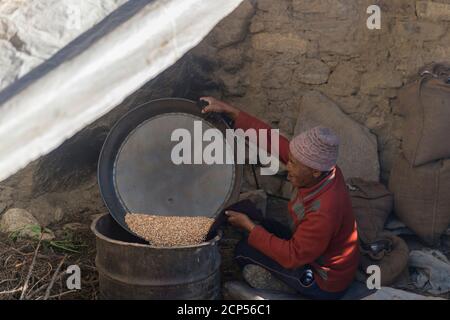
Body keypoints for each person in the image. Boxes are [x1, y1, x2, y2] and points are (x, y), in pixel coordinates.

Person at [200, 96, 359, 300]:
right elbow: (274, 142)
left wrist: (249, 226)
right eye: (290, 160)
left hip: (325, 280)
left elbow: (292, 256)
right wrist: (229, 110)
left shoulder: (325, 209)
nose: (287, 166)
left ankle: (291, 290)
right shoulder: (324, 170)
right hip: (317, 252)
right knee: (264, 227)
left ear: (315, 172)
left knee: (243, 250)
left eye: (293, 164)